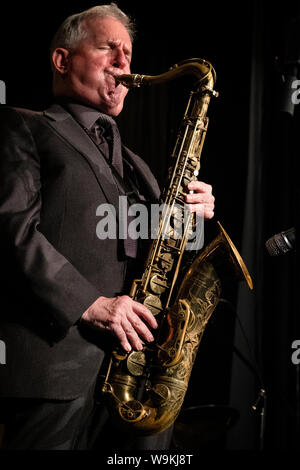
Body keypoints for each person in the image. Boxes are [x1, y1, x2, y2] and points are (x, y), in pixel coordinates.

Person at [0, 4, 215, 450]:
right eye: (108, 49)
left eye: (129, 55)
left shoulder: (138, 165)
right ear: (62, 60)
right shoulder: (22, 125)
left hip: (138, 378)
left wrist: (191, 221)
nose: (124, 65)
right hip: (56, 371)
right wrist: (91, 304)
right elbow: (11, 232)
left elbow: (166, 257)